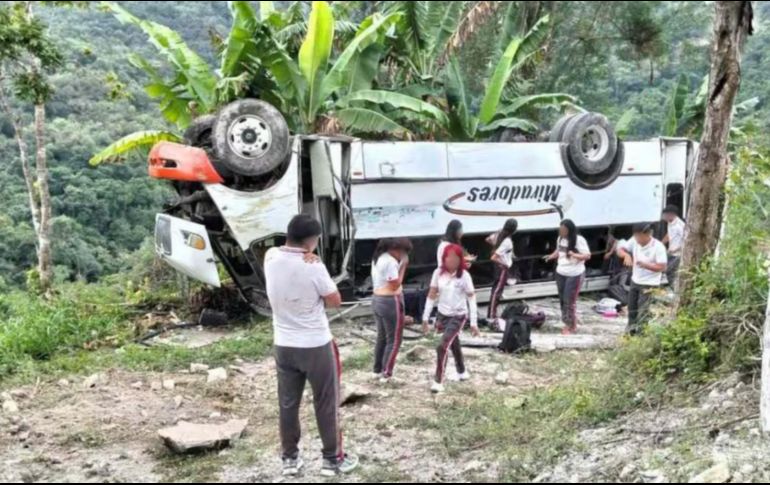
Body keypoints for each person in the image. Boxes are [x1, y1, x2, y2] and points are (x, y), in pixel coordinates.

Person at [263, 214, 358, 477]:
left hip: (283, 344)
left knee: (288, 403)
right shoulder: (313, 266)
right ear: (312, 241)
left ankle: (290, 460)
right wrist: (317, 262)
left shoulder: (270, 258)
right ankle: (332, 460)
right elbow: (334, 300)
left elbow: (283, 257)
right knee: (326, 402)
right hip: (315, 344)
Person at [422, 243, 481, 394]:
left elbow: (472, 299)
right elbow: (431, 295)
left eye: (455, 258)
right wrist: (425, 318)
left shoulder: (465, 276)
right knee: (453, 342)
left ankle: (438, 381)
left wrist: (474, 323)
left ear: (460, 260)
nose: (451, 261)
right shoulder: (438, 273)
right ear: (444, 258)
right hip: (442, 314)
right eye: (448, 258)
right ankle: (462, 372)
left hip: (458, 316)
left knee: (442, 346)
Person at [371, 237, 412, 383]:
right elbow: (395, 284)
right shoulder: (390, 262)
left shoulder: (378, 258)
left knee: (382, 337)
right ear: (396, 249)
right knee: (394, 340)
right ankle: (387, 373)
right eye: (403, 252)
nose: (403, 255)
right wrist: (403, 266)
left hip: (377, 299)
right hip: (390, 301)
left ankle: (377, 370)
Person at [617, 223, 668, 335]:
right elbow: (620, 249)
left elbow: (662, 267)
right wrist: (626, 255)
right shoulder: (634, 240)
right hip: (635, 280)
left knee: (643, 310)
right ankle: (630, 332)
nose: (637, 240)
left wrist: (645, 265)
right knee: (632, 308)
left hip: (650, 283)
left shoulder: (658, 247)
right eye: (635, 236)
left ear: (648, 234)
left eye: (640, 237)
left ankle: (641, 335)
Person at [544, 219, 591, 335]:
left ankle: (570, 325)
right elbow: (559, 251)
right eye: (560, 230)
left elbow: (587, 256)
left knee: (569, 300)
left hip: (575, 273)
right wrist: (551, 256)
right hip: (561, 272)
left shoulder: (579, 240)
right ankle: (567, 321)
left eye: (564, 230)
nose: (561, 232)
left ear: (569, 230)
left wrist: (574, 254)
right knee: (562, 299)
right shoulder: (560, 239)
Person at [487, 218, 518, 327]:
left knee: (495, 290)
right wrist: (502, 263)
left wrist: (495, 246)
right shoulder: (507, 241)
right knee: (497, 292)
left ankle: (491, 314)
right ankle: (491, 316)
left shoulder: (499, 234)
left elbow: (488, 239)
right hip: (502, 267)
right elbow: (494, 257)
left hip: (498, 267)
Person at [661, 205, 686, 287]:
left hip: (677, 254)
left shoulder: (680, 226)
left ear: (671, 215)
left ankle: (675, 289)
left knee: (669, 271)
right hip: (670, 253)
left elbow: (686, 240)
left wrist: (675, 250)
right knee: (667, 271)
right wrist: (661, 243)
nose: (663, 217)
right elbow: (669, 234)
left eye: (664, 215)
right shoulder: (670, 222)